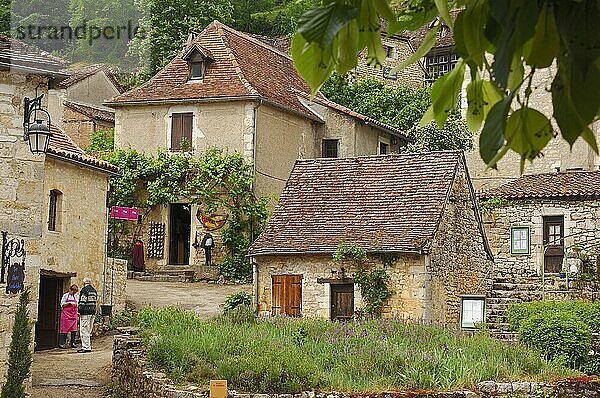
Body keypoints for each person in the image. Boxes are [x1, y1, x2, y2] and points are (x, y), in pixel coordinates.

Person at [77, 277, 97, 353]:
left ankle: (86, 347)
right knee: (89, 330)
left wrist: (79, 310)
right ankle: (87, 346)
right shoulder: (94, 290)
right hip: (92, 312)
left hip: (85, 312)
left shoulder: (84, 290)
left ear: (84, 283)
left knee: (84, 330)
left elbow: (82, 301)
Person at [59, 284, 78, 349]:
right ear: (70, 290)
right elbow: (62, 304)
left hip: (73, 315)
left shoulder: (75, 296)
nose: (74, 293)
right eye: (73, 291)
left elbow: (77, 304)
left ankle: (72, 343)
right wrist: (68, 303)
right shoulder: (65, 295)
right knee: (64, 328)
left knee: (74, 329)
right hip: (66, 315)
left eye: (75, 292)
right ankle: (62, 343)